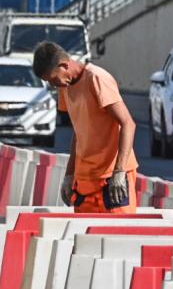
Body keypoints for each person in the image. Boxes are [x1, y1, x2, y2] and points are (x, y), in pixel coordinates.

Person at [32, 42, 138, 213]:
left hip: (111, 178)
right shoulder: (65, 87)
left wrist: (119, 172)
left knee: (117, 234)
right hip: (85, 178)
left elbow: (127, 123)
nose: (53, 85)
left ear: (64, 65)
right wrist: (69, 174)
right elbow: (79, 132)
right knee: (85, 236)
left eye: (52, 79)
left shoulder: (97, 79)